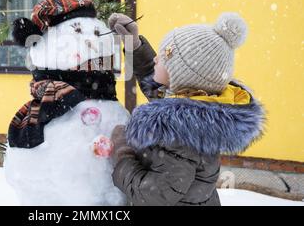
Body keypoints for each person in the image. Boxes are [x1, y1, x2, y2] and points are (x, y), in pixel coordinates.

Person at [108, 12, 265, 206]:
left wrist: (123, 154)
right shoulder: (197, 108)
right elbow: (161, 87)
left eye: (164, 57)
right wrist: (135, 45)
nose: (157, 59)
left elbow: (153, 195)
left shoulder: (181, 138)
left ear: (181, 78)